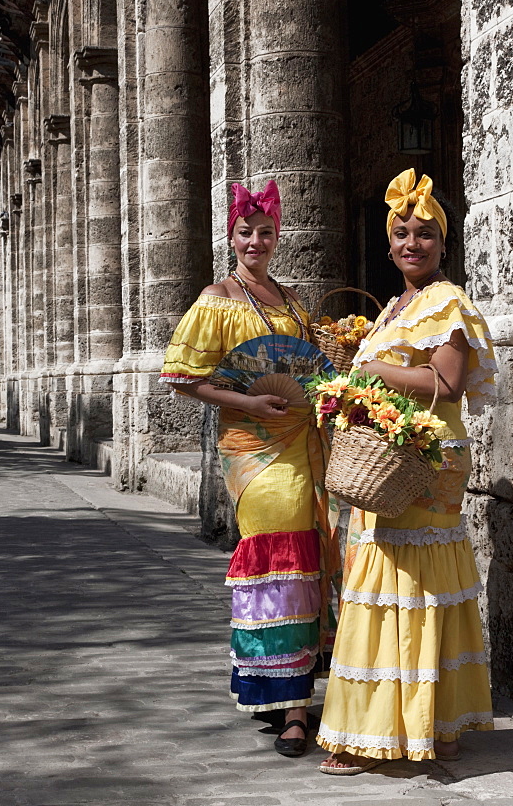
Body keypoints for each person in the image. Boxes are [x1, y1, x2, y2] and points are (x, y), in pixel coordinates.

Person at [316, 169, 497, 775]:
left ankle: (411, 728)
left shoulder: (448, 304)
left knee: (412, 585)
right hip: (389, 454)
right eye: (401, 233)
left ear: (444, 246)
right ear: (389, 243)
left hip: (424, 456)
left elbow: (444, 385)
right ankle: (419, 727)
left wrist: (371, 372)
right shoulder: (397, 306)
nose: (411, 243)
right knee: (393, 583)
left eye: (424, 234)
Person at [160, 180, 340, 758]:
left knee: (312, 559)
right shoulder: (217, 298)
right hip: (254, 452)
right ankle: (285, 700)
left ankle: (293, 701)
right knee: (280, 562)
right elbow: (185, 380)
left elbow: (313, 370)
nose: (256, 241)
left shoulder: (290, 302)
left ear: (278, 236)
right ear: (231, 236)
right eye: (246, 232)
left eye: (266, 232)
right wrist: (248, 404)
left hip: (307, 442)